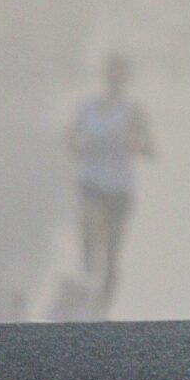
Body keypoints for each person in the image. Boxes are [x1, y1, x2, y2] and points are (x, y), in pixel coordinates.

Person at [69, 54, 155, 315]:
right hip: (92, 182)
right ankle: (87, 263)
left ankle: (102, 309)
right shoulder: (88, 108)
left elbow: (150, 149)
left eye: (120, 74)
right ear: (105, 76)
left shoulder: (133, 111)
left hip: (120, 188)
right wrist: (80, 146)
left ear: (126, 78)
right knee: (89, 225)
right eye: (111, 73)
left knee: (113, 252)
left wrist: (134, 143)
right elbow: (70, 139)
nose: (115, 79)